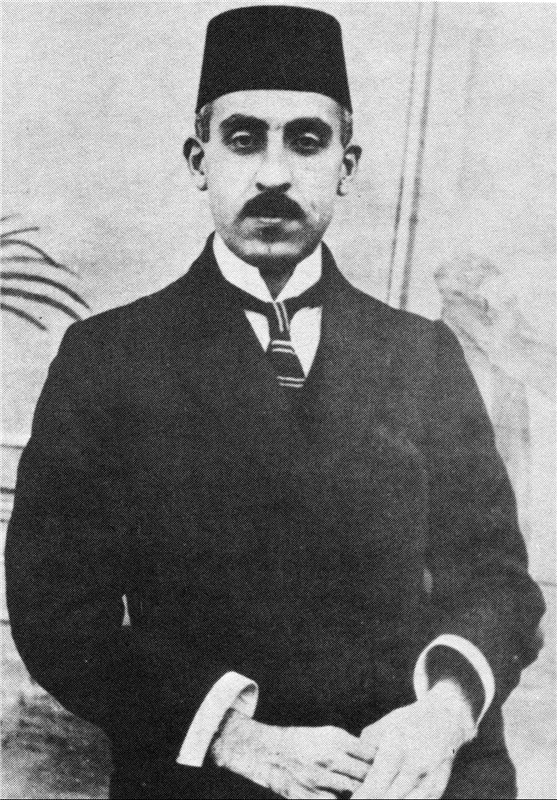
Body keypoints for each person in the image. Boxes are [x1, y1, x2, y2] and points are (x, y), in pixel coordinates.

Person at [5, 6, 545, 800]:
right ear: (199, 160)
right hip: (206, 774)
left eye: (306, 141)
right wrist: (235, 736)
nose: (272, 175)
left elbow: (494, 579)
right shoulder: (109, 359)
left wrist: (443, 715)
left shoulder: (421, 354)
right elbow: (57, 612)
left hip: (403, 775)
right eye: (243, 139)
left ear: (345, 164)